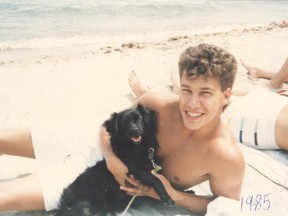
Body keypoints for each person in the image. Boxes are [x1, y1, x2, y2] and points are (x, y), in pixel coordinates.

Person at [101, 43, 245, 215]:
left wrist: (175, 196)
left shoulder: (225, 156)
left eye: (205, 93)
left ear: (226, 96)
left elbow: (225, 207)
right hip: (103, 172)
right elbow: (107, 127)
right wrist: (111, 159)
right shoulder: (156, 105)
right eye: (186, 90)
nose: (192, 104)